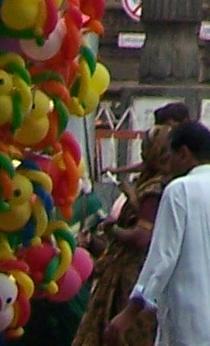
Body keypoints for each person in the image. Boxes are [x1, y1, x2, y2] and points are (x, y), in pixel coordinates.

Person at [111, 121, 210, 346]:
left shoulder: (178, 191)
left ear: (184, 154)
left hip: (185, 325)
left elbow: (162, 259)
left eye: (170, 158)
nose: (167, 167)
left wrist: (128, 314)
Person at [73, 122, 172, 346]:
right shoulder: (157, 182)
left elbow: (141, 236)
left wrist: (113, 229)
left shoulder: (154, 190)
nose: (142, 153)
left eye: (145, 148)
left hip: (132, 277)